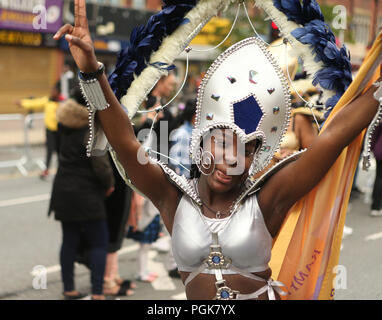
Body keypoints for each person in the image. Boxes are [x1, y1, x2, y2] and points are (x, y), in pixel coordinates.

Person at [54, 0, 382, 300]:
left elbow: (333, 137)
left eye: (246, 150)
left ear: (257, 155)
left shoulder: (268, 199)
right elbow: (123, 140)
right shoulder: (170, 196)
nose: (230, 161)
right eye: (222, 143)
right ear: (202, 142)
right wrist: (91, 71)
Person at [48, 89, 115, 300]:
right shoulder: (91, 128)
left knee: (69, 240)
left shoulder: (62, 123)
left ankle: (69, 288)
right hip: (87, 191)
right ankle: (97, 292)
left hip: (63, 188)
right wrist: (109, 184)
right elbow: (100, 165)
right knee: (99, 242)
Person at [18, 82, 62, 179]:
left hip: (60, 131)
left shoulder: (62, 101)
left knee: (60, 152)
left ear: (58, 92)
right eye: (51, 90)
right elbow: (35, 103)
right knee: (49, 151)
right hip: (50, 131)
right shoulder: (47, 100)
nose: (52, 92)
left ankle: (61, 171)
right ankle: (46, 170)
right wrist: (22, 103)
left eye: (54, 90)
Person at [370, 121, 382, 216]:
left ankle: (375, 205)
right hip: (379, 151)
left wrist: (372, 148)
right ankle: (377, 205)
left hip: (379, 151)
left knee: (379, 177)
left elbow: (374, 133)